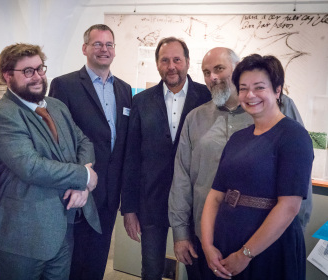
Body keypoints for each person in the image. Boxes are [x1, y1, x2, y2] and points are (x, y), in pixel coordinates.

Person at [168, 47, 313, 279]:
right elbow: (185, 180)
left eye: (219, 68)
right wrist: (188, 236)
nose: (212, 77)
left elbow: (295, 194)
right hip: (213, 238)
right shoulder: (200, 121)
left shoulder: (288, 126)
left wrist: (293, 230)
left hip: (269, 240)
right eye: (206, 72)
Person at [0, 43, 101, 280]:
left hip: (63, 230)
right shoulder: (3, 116)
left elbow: (84, 142)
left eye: (40, 69)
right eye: (27, 71)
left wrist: (82, 178)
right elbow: (32, 167)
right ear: (8, 76)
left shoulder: (56, 106)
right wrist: (85, 177)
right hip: (23, 236)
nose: (37, 76)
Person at [121, 37, 211, 280]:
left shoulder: (207, 98)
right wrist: (128, 208)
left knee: (197, 270)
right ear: (157, 64)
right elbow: (131, 157)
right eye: (165, 60)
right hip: (151, 202)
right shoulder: (141, 101)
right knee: (150, 270)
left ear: (188, 62)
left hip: (194, 204)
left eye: (177, 60)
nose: (171, 66)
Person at [49, 24, 132, 280]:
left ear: (115, 51)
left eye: (109, 45)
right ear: (84, 48)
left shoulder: (125, 90)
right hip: (76, 191)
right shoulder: (64, 85)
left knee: (97, 260)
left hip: (109, 192)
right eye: (97, 44)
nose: (103, 50)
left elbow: (121, 145)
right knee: (72, 261)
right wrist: (76, 179)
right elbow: (57, 139)